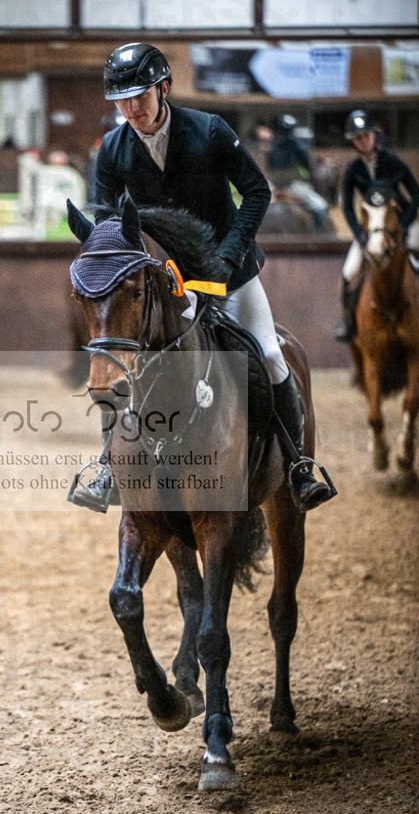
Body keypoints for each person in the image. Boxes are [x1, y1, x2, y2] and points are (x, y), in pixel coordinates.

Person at [70, 42, 334, 514]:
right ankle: (109, 465)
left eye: (141, 95)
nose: (132, 108)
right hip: (166, 281)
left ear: (164, 88)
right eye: (122, 100)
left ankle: (297, 466)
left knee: (270, 354)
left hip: (228, 272)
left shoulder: (208, 131)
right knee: (122, 363)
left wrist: (230, 253)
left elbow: (256, 191)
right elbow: (109, 223)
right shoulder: (112, 149)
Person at [334, 110, 419, 342]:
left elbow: (415, 193)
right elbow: (349, 209)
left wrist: (406, 224)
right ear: (353, 141)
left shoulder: (393, 162)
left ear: (374, 135)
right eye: (358, 138)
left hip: (400, 227)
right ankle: (349, 324)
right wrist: (359, 236)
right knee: (349, 271)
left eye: (367, 135)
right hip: (370, 231)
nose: (364, 141)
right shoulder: (353, 170)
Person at [266, 115, 329, 231]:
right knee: (321, 207)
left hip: (274, 187)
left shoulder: (271, 148)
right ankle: (321, 233)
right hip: (294, 187)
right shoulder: (298, 147)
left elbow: (270, 170)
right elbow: (309, 170)